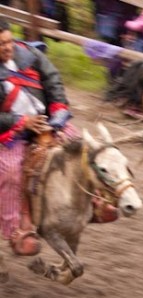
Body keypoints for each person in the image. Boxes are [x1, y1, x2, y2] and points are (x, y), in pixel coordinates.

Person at [0, 17, 76, 256]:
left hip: (45, 123)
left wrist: (58, 111)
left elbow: (53, 80)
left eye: (8, 41)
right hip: (11, 133)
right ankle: (15, 229)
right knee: (11, 172)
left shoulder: (29, 52)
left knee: (79, 146)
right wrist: (22, 122)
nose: (8, 48)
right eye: (1, 45)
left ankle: (97, 199)